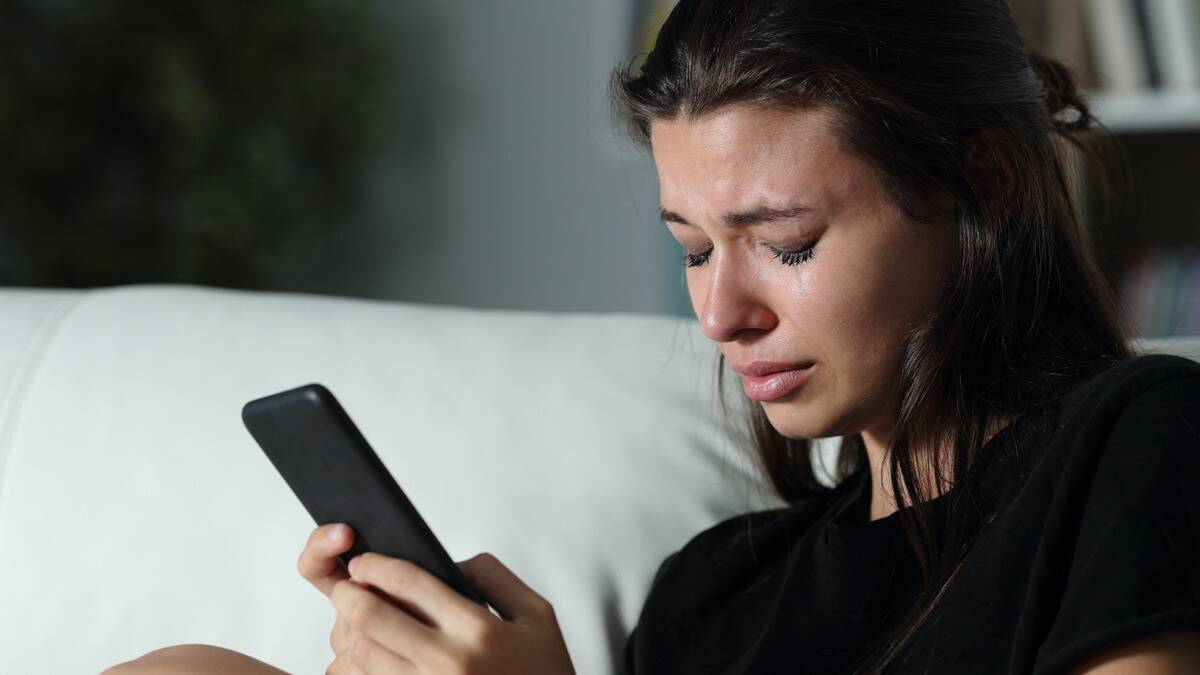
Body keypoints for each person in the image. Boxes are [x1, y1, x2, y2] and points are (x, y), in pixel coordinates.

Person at [104, 0, 1200, 673]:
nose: (721, 315)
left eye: (786, 240)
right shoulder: (713, 596)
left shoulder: (1135, 445)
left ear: (984, 187)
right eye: (691, 248)